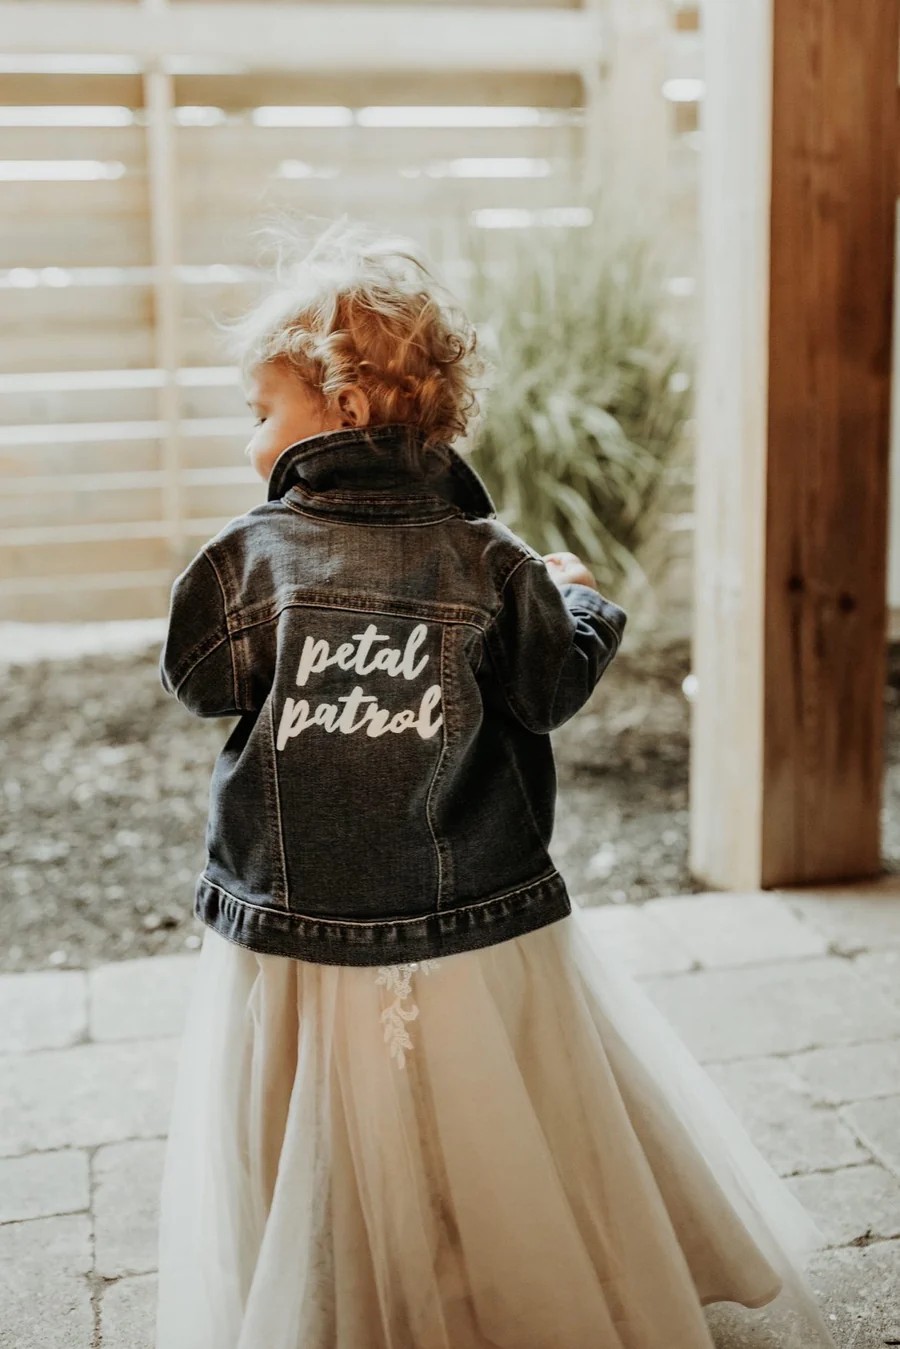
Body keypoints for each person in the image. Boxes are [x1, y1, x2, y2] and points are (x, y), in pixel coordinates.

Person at [154, 213, 838, 1349]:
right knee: (492, 1111)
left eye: (260, 408)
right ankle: (508, 1276)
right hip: (471, 908)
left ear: (345, 404)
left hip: (297, 909)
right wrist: (578, 600)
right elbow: (549, 687)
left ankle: (325, 1288)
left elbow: (203, 681)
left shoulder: (249, 556)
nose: (249, 439)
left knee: (323, 1119)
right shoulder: (494, 559)